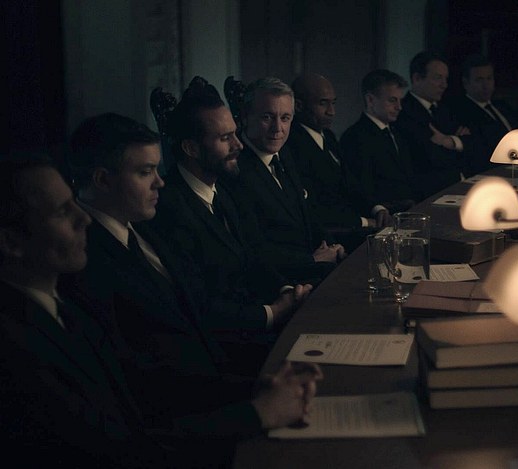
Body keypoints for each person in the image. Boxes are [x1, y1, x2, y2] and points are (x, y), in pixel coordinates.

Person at [0, 156, 322, 468]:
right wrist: (255, 413)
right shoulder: (15, 344)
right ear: (11, 241)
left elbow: (144, 381)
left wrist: (256, 388)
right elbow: (118, 447)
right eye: (61, 211)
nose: (83, 218)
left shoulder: (61, 305)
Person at [148, 79, 313, 367]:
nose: (238, 145)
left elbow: (251, 257)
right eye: (226, 138)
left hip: (259, 322)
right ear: (191, 148)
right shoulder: (167, 209)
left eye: (235, 134)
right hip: (229, 350)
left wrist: (287, 291)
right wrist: (273, 312)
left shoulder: (221, 190)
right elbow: (200, 304)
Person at [227, 76, 346, 278]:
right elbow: (253, 248)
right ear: (246, 116)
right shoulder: (234, 168)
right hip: (282, 279)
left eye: (285, 118)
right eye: (267, 117)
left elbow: (306, 216)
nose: (278, 129)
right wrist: (312, 260)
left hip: (314, 267)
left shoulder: (285, 153)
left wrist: (333, 245)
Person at [287, 73, 392, 253]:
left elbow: (349, 182)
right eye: (323, 103)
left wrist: (376, 208)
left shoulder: (327, 136)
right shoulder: (292, 145)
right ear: (299, 106)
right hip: (333, 236)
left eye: (333, 103)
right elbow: (315, 206)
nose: (332, 111)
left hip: (353, 223)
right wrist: (364, 222)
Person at [340, 69, 420, 210]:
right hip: (383, 215)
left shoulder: (397, 132)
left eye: (400, 101)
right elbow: (361, 189)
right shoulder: (355, 137)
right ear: (370, 100)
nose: (399, 107)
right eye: (392, 100)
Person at [396, 51, 470, 197]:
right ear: (417, 78)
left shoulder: (445, 109)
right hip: (430, 192)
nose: (444, 85)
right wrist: (457, 143)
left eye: (445, 78)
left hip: (454, 185)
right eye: (438, 78)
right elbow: (427, 157)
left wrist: (450, 141)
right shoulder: (403, 112)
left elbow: (472, 143)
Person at [449, 53, 518, 176]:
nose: (486, 85)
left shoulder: (502, 106)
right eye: (479, 80)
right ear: (466, 83)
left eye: (489, 78)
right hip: (491, 172)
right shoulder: (460, 113)